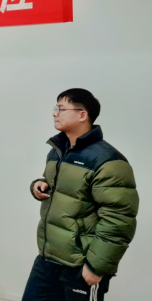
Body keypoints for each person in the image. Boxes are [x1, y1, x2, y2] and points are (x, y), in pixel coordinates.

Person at [22, 88, 139, 301]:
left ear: (82, 115)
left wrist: (96, 266)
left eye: (61, 108)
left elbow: (119, 218)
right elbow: (62, 186)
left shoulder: (109, 161)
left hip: (80, 266)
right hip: (48, 259)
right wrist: (38, 185)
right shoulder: (57, 151)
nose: (55, 113)